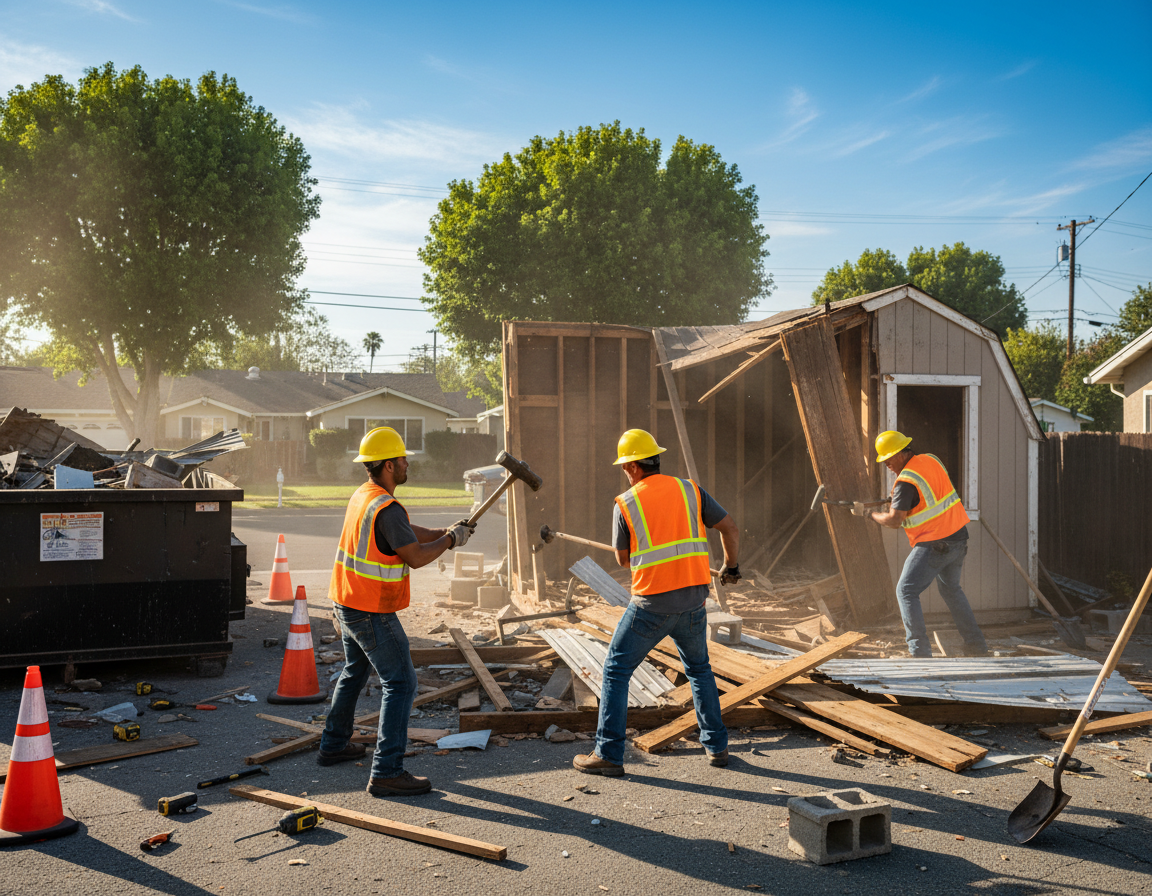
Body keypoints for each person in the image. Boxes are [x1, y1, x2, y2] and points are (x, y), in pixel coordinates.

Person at [573, 429, 740, 777]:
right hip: (694, 603)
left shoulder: (626, 502)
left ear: (633, 466)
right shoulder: (689, 489)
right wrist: (731, 565)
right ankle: (717, 746)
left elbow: (623, 559)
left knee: (616, 671)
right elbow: (730, 528)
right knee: (699, 670)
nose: (624, 472)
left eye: (624, 466)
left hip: (651, 606)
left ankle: (608, 754)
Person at [319, 426, 475, 796]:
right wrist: (450, 541)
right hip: (370, 609)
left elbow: (404, 532)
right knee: (402, 683)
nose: (408, 464)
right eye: (404, 459)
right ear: (390, 465)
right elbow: (416, 557)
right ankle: (387, 771)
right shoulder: (386, 507)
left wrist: (442, 531)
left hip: (347, 600)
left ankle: (333, 744)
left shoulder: (367, 495)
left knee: (355, 671)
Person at [864, 430, 987, 658]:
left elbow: (894, 520)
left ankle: (919, 653)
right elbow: (930, 493)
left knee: (906, 591)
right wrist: (899, 501)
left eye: (889, 458)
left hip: (935, 543)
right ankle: (977, 646)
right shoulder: (931, 460)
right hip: (959, 538)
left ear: (901, 453)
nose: (888, 464)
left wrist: (870, 515)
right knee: (951, 590)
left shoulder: (905, 482)